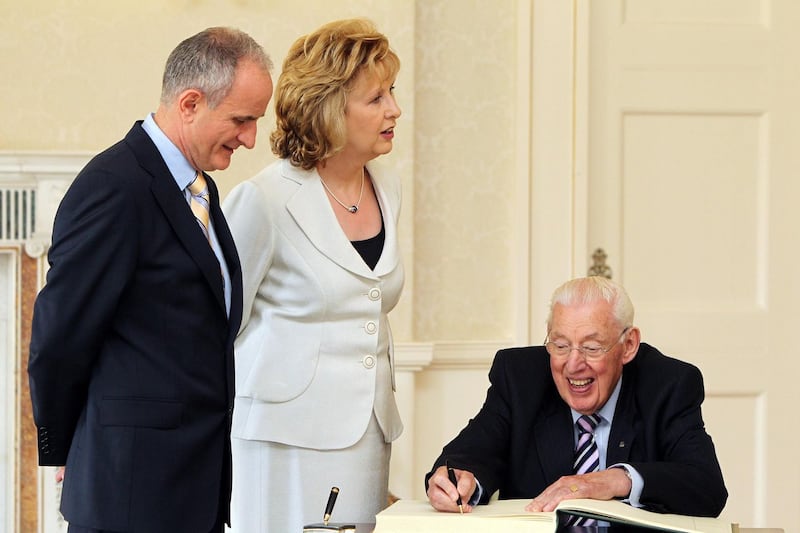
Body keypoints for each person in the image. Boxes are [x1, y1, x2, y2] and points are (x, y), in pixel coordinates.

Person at [27, 27, 273, 533]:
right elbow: (59, 336)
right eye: (242, 120)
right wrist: (66, 441)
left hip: (191, 491)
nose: (251, 138)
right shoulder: (114, 186)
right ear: (189, 103)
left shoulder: (201, 187)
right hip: (130, 495)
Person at [221, 18, 403, 532]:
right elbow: (218, 322)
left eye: (393, 92)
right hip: (281, 440)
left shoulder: (388, 186)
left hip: (369, 432)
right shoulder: (265, 199)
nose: (394, 109)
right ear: (330, 110)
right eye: (376, 98)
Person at [426, 276, 728, 520]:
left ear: (629, 345)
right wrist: (458, 481)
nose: (573, 364)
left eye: (592, 348)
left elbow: (706, 486)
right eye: (560, 345)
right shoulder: (520, 378)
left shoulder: (667, 384)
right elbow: (469, 454)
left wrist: (611, 481)